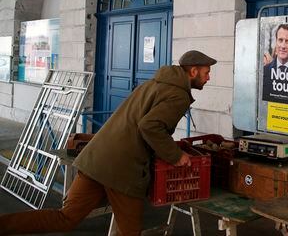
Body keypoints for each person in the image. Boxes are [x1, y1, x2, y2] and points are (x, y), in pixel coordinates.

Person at [0, 50, 217, 236]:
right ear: (193, 70)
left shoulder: (155, 83)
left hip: (96, 158)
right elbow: (150, 126)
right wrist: (177, 156)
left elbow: (144, 124)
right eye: (206, 72)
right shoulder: (178, 95)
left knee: (65, 218)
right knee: (129, 232)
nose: (209, 78)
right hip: (122, 168)